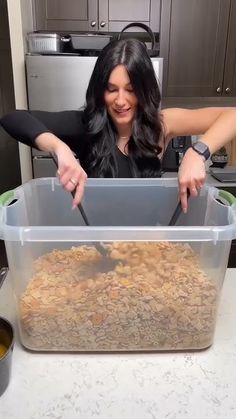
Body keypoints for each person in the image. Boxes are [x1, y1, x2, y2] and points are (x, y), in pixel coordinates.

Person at [1, 38, 236, 212]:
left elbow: (232, 115)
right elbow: (13, 118)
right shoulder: (86, 125)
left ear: (144, 90)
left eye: (131, 90)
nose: (121, 101)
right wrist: (58, 147)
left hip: (146, 246)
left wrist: (198, 153)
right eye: (111, 89)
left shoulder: (161, 124)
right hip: (98, 246)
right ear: (100, 89)